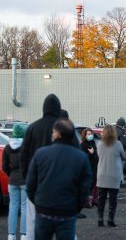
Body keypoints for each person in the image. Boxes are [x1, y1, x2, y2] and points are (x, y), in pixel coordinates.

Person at [26, 119, 92, 240]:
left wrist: (39, 203)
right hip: (67, 212)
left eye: (53, 132)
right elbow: (85, 188)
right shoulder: (80, 157)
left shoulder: (40, 154)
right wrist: (76, 207)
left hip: (43, 211)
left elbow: (30, 185)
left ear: (57, 134)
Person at [20, 94, 61, 240]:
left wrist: (27, 178)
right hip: (59, 185)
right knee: (62, 222)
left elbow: (23, 156)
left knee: (32, 221)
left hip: (36, 182)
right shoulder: (64, 128)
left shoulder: (32, 128)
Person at [2, 124, 28, 240]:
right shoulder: (27, 147)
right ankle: (24, 234)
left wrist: (10, 174)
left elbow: (4, 166)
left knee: (12, 207)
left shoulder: (7, 148)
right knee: (24, 207)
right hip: (24, 181)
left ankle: (11, 235)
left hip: (12, 181)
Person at [96, 125, 124, 227]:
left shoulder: (99, 144)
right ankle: (110, 219)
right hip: (114, 175)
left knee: (101, 198)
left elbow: (99, 156)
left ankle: (100, 219)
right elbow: (123, 157)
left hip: (102, 174)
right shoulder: (118, 144)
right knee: (113, 200)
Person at [80, 128, 99, 208]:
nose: (90, 135)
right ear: (84, 135)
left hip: (94, 166)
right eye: (88, 134)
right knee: (87, 185)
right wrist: (90, 154)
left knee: (96, 184)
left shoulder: (93, 143)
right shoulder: (83, 145)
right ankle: (86, 201)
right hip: (87, 167)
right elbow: (82, 157)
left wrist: (93, 154)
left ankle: (95, 200)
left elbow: (96, 155)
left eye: (91, 134)